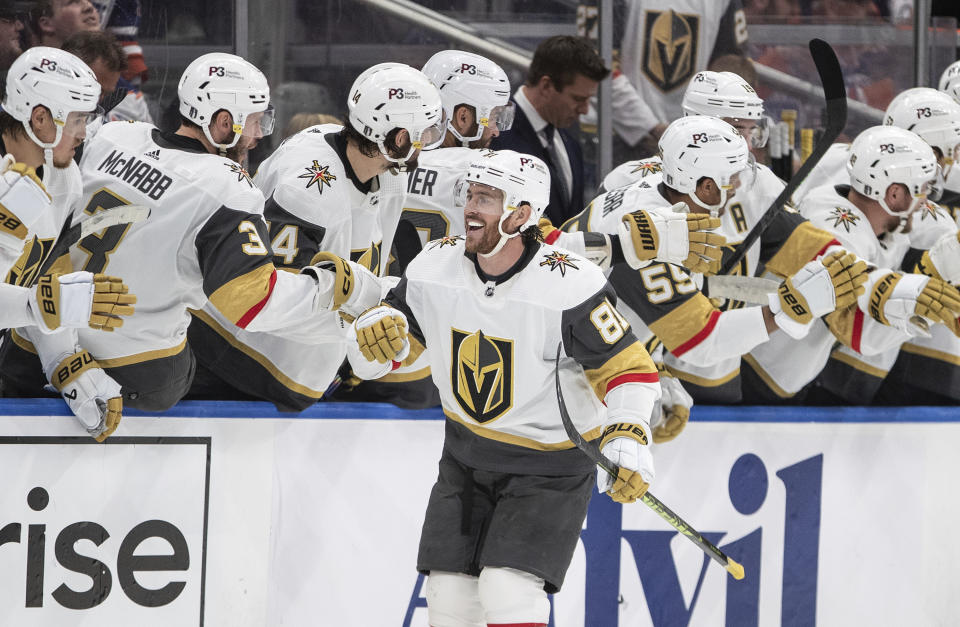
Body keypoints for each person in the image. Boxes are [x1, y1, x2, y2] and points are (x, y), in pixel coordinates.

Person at [348, 150, 661, 626]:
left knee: (509, 589)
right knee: (449, 598)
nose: (472, 208)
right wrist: (372, 342)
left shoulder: (570, 283)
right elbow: (396, 345)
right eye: (471, 194)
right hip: (465, 457)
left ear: (521, 214)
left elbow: (628, 368)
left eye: (488, 198)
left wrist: (628, 433)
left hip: (550, 466)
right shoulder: (435, 267)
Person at [0, 52, 378, 412]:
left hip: (36, 337)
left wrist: (55, 337)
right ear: (223, 122)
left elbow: (55, 256)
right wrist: (331, 288)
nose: (258, 136)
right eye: (254, 122)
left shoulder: (113, 137)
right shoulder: (229, 187)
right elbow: (250, 301)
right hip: (138, 369)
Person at [563, 114, 868, 419]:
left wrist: (655, 369)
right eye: (732, 176)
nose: (738, 185)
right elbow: (703, 340)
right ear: (706, 187)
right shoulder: (651, 234)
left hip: (577, 362)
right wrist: (785, 311)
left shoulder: (659, 195)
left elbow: (630, 310)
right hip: (561, 381)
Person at [185, 61, 444, 411]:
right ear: (399, 139)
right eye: (425, 132)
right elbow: (266, 299)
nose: (429, 141)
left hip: (296, 377)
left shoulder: (387, 173)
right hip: (235, 366)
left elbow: (365, 269)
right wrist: (357, 312)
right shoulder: (309, 189)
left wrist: (370, 315)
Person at [746, 125, 960, 403]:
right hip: (754, 373)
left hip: (780, 375)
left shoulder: (885, 225)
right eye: (921, 191)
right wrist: (935, 275)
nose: (925, 203)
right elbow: (862, 334)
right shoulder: (831, 228)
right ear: (894, 195)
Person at [0, 46, 134, 441]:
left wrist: (63, 359)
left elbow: (42, 273)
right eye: (77, 119)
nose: (84, 132)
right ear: (40, 118)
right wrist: (39, 305)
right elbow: (38, 299)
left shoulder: (63, 177)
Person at [490, 35, 610, 224]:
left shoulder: (570, 144)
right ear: (546, 86)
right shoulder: (494, 137)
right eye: (578, 99)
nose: (585, 109)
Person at [29, 0, 99, 48]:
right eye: (73, 1)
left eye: (89, 0)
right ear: (46, 24)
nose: (89, 7)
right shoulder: (28, 68)